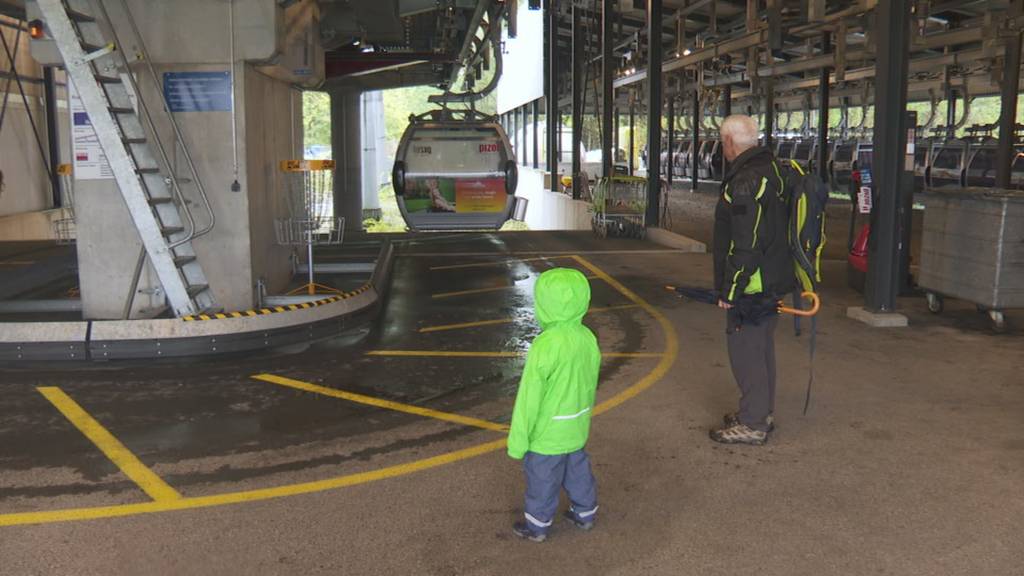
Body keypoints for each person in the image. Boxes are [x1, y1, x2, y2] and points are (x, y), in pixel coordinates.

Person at [710, 115, 795, 446]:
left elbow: (746, 243)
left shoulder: (746, 181)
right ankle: (761, 411)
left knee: (746, 353)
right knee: (761, 350)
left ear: (729, 142)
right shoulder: (772, 170)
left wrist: (730, 289)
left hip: (752, 286)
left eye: (722, 142)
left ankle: (753, 423)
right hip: (770, 279)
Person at [507, 268, 601, 542]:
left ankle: (538, 526)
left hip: (547, 433)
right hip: (577, 424)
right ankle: (585, 514)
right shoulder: (587, 337)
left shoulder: (545, 345)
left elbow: (529, 398)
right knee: (578, 470)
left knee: (543, 479)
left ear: (544, 304)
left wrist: (518, 442)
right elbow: (590, 380)